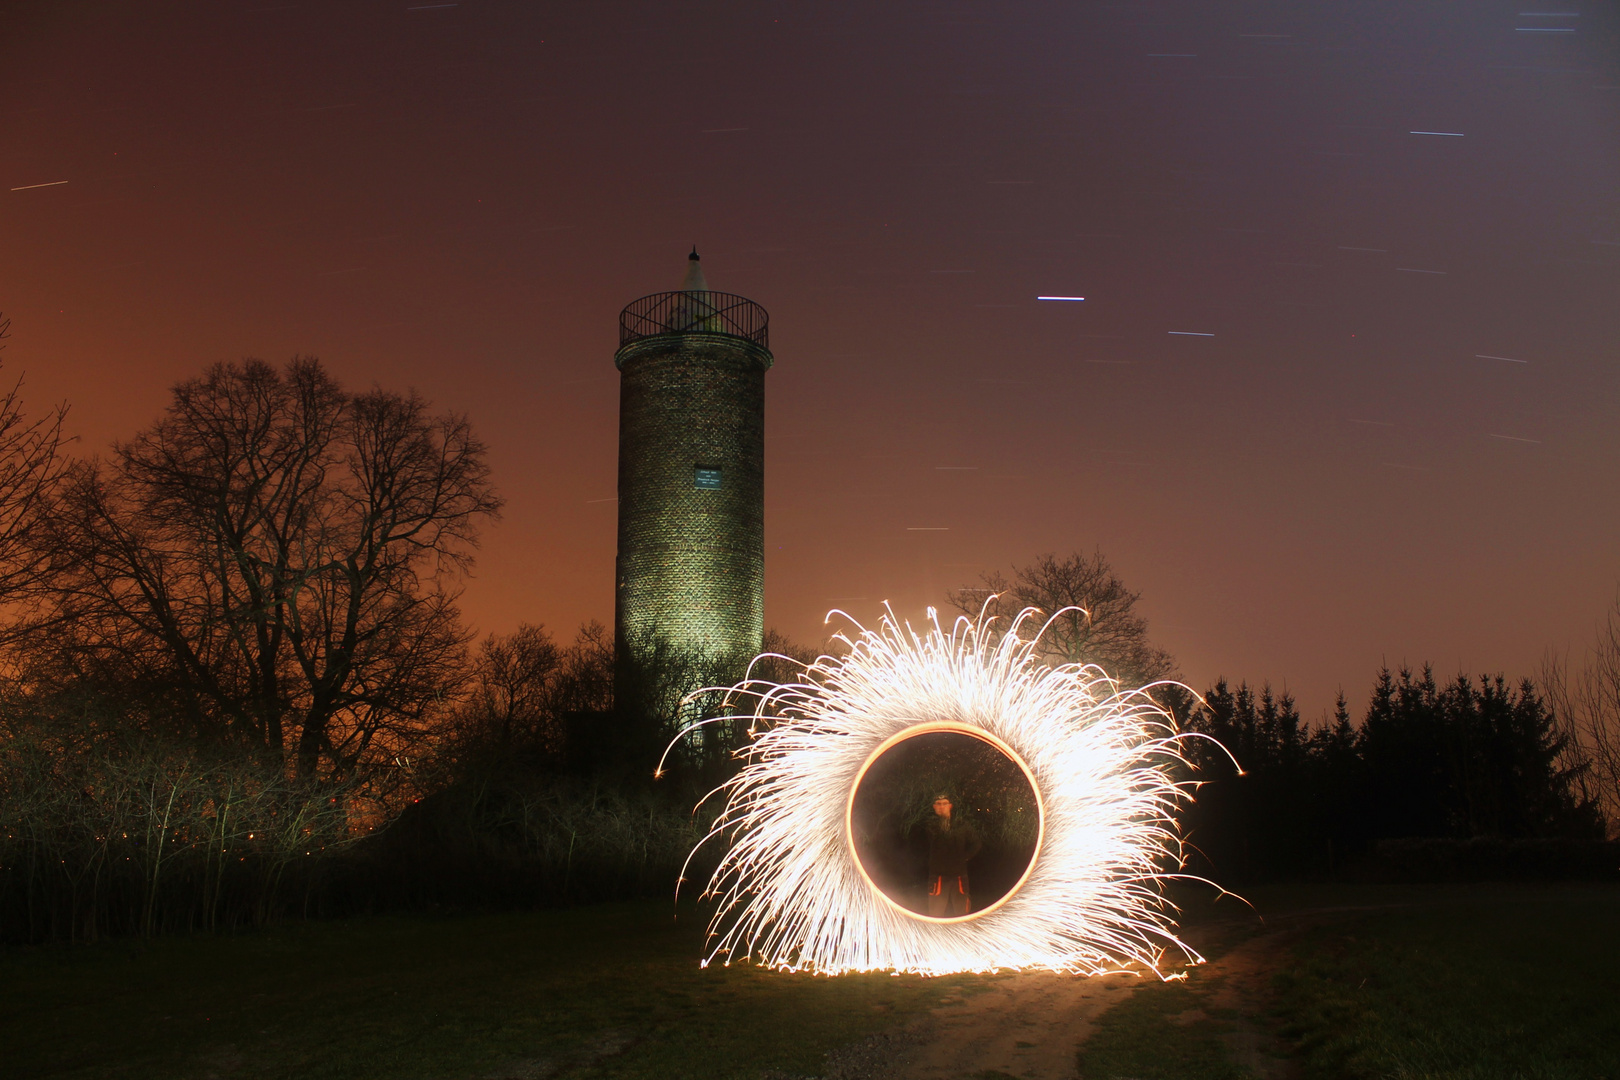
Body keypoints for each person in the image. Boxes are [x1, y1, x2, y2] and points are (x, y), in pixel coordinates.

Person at [925, 793, 981, 916]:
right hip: (938, 876)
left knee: (963, 913)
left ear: (950, 806)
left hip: (959, 876)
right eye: (938, 804)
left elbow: (976, 844)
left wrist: (965, 857)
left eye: (944, 804)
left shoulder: (961, 825)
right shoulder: (929, 825)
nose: (941, 807)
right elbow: (920, 847)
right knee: (935, 913)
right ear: (934, 806)